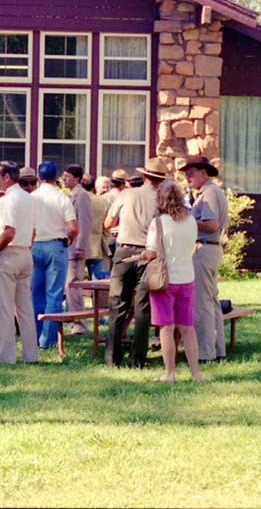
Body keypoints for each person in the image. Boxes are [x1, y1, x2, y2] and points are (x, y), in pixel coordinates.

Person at [103, 158, 168, 368]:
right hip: (148, 255)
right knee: (142, 309)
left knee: (117, 305)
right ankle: (137, 359)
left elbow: (108, 223)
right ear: (160, 180)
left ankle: (112, 357)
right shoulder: (162, 199)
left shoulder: (126, 193)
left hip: (124, 251)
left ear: (145, 176)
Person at [143, 180, 202, 383]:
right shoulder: (191, 221)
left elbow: (151, 252)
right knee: (187, 327)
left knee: (166, 327)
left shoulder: (158, 223)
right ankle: (196, 373)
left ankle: (170, 373)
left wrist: (144, 255)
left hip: (164, 279)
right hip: (187, 276)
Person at [182, 155, 229, 364]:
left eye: (191, 172)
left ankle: (204, 353)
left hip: (205, 249)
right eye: (185, 172)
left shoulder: (209, 193)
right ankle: (218, 350)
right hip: (209, 249)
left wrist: (187, 218)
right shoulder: (208, 192)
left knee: (201, 304)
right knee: (212, 302)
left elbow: (211, 224)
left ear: (204, 172)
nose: (187, 176)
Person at [0, 161, 38, 364]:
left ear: (7, 177)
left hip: (8, 254)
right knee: (25, 308)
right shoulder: (29, 199)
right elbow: (33, 231)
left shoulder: (7, 200)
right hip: (25, 253)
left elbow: (8, 231)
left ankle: (4, 356)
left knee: (4, 308)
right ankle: (30, 355)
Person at [30, 162, 78, 350]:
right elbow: (73, 227)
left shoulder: (31, 198)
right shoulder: (62, 198)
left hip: (35, 245)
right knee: (54, 294)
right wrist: (69, 239)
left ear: (39, 178)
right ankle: (47, 339)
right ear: (55, 177)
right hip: (56, 244)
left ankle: (33, 336)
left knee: (35, 294)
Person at [61, 164, 92, 335]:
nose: (64, 179)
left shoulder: (82, 196)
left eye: (68, 176)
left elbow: (85, 222)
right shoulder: (70, 195)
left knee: (74, 286)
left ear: (77, 178)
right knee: (69, 286)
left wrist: (80, 245)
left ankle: (79, 323)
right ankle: (73, 320)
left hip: (75, 248)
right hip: (68, 246)